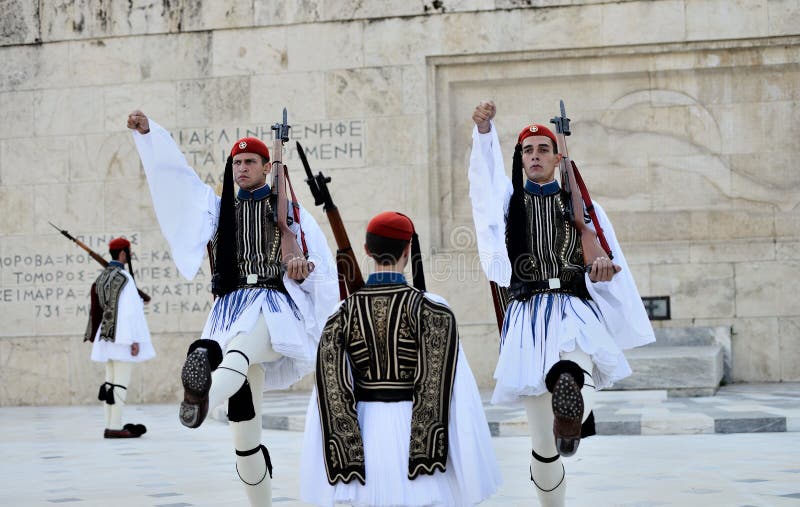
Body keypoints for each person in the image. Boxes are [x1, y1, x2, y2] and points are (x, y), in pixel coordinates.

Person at [127, 110, 338, 507]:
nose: (242, 168)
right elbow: (176, 181)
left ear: (265, 168)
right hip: (228, 311)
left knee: (239, 351)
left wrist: (302, 272)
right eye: (236, 162)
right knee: (245, 438)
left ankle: (200, 395)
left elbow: (324, 273)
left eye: (250, 162)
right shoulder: (216, 210)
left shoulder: (293, 214)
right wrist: (150, 134)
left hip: (274, 312)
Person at [468, 101, 655, 506]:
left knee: (572, 370)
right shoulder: (508, 204)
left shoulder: (585, 209)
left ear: (556, 158)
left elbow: (606, 260)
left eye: (542, 149)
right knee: (543, 443)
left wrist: (601, 268)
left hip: (572, 307)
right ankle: (563, 432)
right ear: (520, 160)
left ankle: (569, 401)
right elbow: (483, 186)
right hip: (527, 313)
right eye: (527, 150)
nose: (534, 156)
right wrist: (484, 134)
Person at [300, 211, 501, 507]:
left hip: (362, 436)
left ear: (367, 250)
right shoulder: (433, 310)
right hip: (418, 440)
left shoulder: (340, 314)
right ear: (408, 250)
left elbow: (331, 392)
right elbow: (454, 393)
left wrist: (344, 456)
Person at [85, 237, 155, 439]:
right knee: (120, 383)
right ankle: (115, 427)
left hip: (104, 337)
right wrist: (134, 340)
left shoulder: (103, 277)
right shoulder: (124, 278)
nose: (130, 256)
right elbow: (130, 312)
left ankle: (109, 425)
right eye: (129, 252)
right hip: (122, 337)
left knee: (109, 383)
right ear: (123, 254)